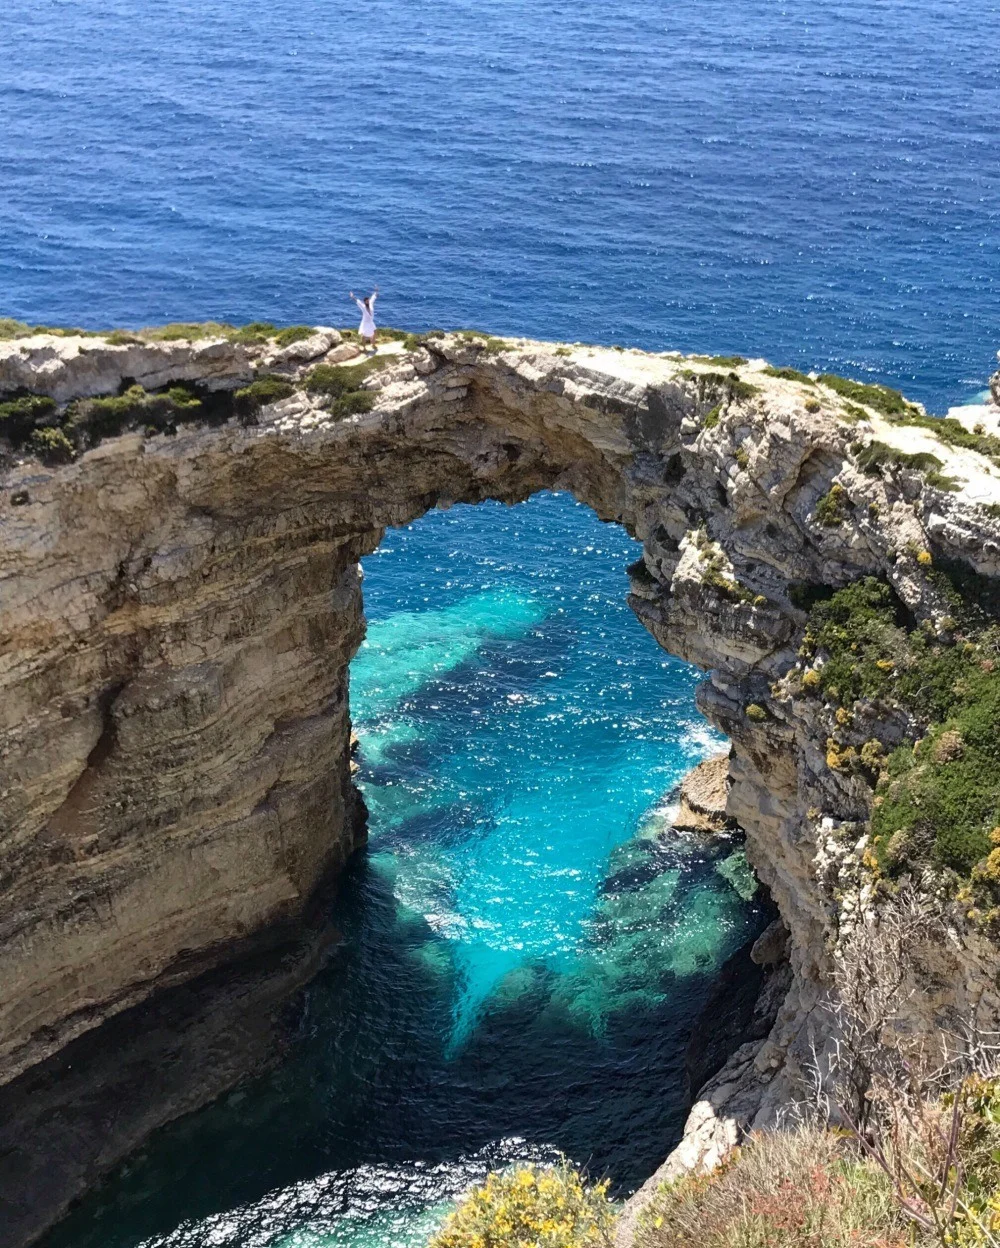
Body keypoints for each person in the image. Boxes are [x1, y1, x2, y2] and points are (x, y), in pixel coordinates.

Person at [350, 287, 379, 351]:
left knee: (375, 332)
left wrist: (376, 291)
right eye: (366, 301)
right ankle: (364, 348)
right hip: (365, 323)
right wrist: (352, 296)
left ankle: (373, 344)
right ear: (365, 302)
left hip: (371, 322)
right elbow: (357, 301)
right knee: (364, 336)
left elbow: (374, 297)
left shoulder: (371, 304)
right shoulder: (363, 307)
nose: (368, 302)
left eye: (368, 301)